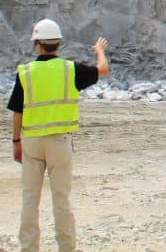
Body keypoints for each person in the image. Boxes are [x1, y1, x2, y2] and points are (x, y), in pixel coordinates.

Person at [7, 19, 109, 252]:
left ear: (37, 44)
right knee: (61, 199)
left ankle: (29, 247)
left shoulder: (26, 73)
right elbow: (103, 70)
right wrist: (99, 52)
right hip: (59, 142)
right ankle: (66, 247)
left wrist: (15, 142)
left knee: (29, 199)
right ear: (58, 44)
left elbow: (17, 110)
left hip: (32, 142)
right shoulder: (70, 69)